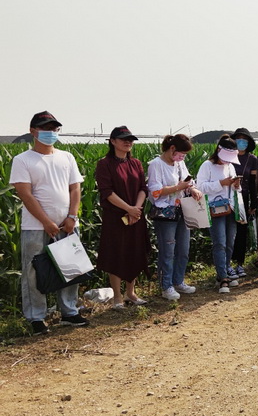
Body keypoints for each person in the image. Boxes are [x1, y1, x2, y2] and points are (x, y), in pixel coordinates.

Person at [10, 111, 89, 334]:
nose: (51, 132)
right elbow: (25, 194)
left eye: (54, 129)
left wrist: (72, 217)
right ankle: (36, 317)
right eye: (46, 128)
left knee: (71, 268)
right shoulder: (22, 160)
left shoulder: (67, 157)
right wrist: (46, 222)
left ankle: (69, 312)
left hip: (68, 225)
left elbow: (75, 188)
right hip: (35, 226)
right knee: (34, 271)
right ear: (32, 131)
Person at [95, 126, 149, 310]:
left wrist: (136, 209)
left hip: (135, 216)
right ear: (112, 141)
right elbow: (106, 192)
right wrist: (128, 209)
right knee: (116, 255)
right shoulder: (104, 164)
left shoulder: (136, 163)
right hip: (115, 217)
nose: (128, 142)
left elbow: (143, 188)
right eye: (123, 139)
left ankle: (131, 293)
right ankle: (117, 297)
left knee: (134, 252)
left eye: (130, 139)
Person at [147, 134, 202, 300]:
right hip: (165, 213)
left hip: (182, 210)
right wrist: (178, 187)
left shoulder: (179, 163)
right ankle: (166, 286)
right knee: (168, 251)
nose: (182, 157)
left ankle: (178, 281)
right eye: (181, 153)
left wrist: (192, 189)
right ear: (172, 148)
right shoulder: (156, 164)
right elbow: (155, 191)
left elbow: (188, 182)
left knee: (183, 249)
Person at [197, 135, 242, 293]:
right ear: (218, 151)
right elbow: (200, 187)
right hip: (215, 209)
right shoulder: (207, 166)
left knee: (230, 242)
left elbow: (235, 190)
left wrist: (236, 185)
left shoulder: (230, 166)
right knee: (220, 243)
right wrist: (221, 183)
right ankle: (222, 277)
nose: (227, 161)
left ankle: (225, 271)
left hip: (230, 208)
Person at [231, 128, 258, 277]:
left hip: (244, 198)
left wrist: (254, 203)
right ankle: (228, 263)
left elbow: (253, 182)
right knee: (229, 231)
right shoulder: (228, 156)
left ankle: (240, 263)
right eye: (238, 139)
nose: (241, 142)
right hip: (229, 198)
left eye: (244, 140)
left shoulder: (252, 159)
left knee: (241, 231)